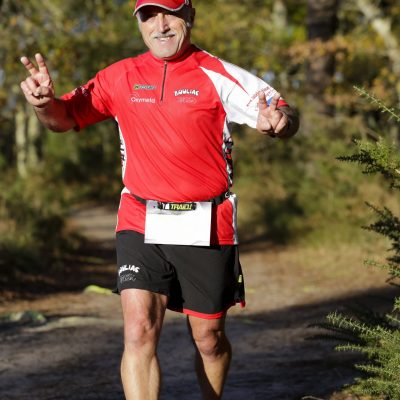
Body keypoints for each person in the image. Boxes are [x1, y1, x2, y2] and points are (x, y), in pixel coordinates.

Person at [20, 0, 299, 399]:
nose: (161, 25)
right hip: (141, 216)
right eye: (149, 16)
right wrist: (44, 104)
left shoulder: (217, 74)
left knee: (208, 339)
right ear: (139, 23)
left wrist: (283, 122)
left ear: (190, 17)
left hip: (207, 221)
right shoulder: (120, 76)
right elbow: (64, 119)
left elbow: (283, 111)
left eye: (170, 13)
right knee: (138, 330)